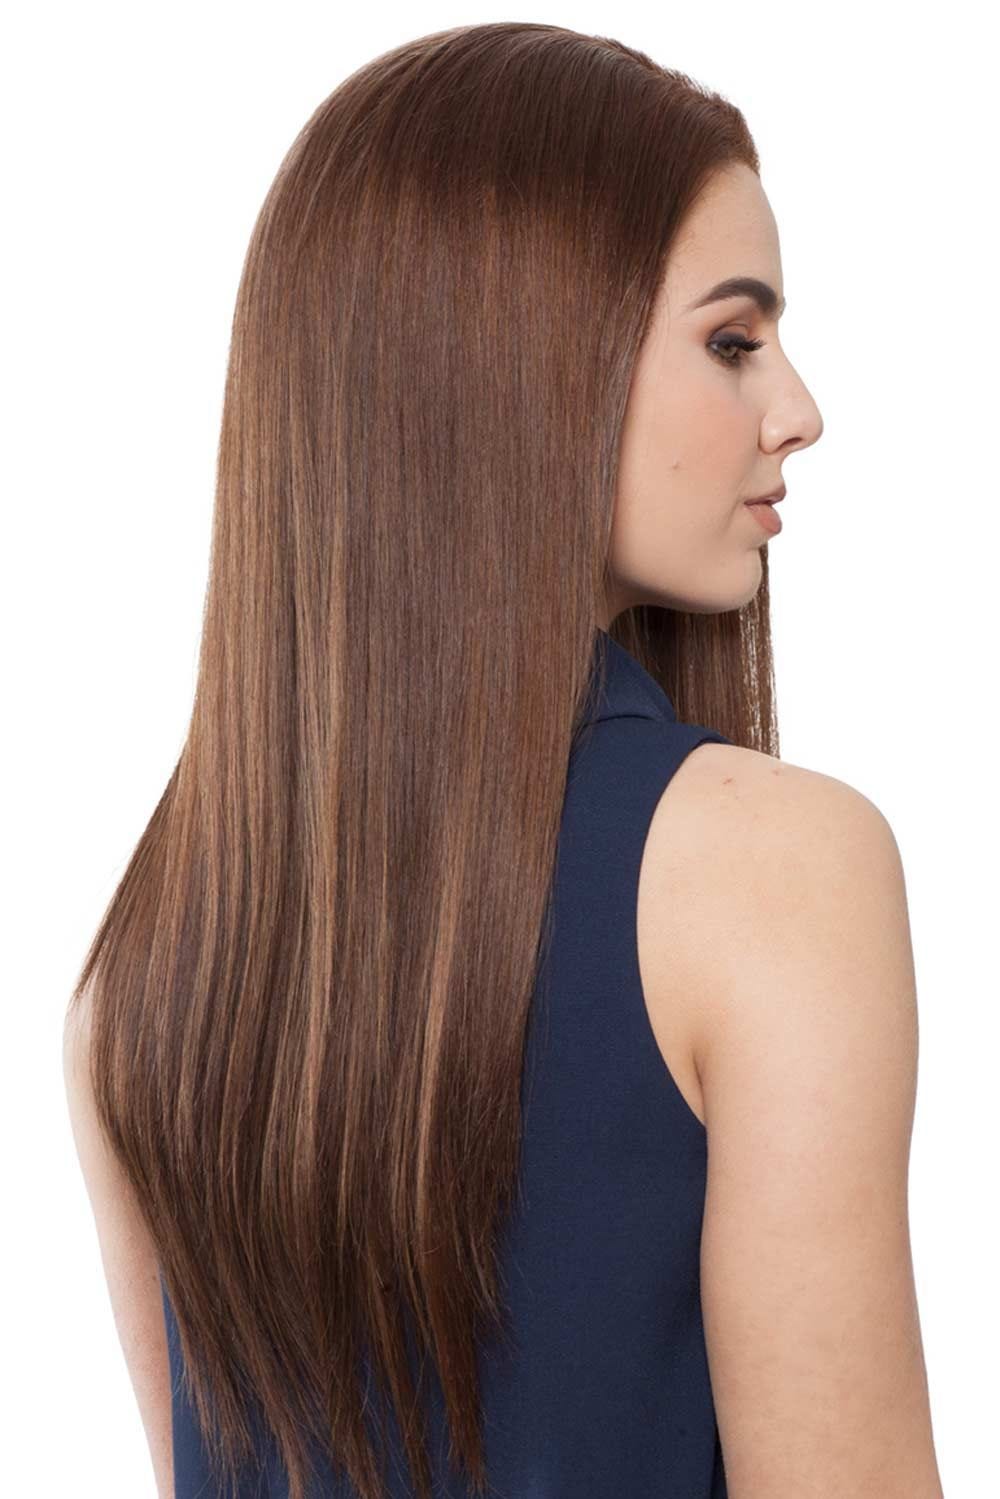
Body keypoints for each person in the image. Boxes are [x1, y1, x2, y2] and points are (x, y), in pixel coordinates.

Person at [63, 21, 945, 1499]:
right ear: (518, 364)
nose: (798, 411)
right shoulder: (774, 873)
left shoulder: (147, 967)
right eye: (733, 342)